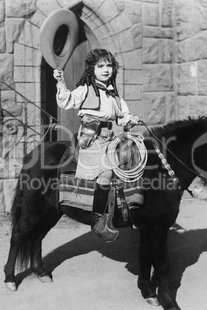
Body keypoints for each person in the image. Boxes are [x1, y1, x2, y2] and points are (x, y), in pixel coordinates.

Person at [53, 48, 139, 241]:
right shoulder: (85, 90)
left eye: (109, 65)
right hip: (91, 137)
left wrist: (131, 119)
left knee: (133, 162)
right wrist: (60, 82)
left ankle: (130, 211)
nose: (106, 69)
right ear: (92, 69)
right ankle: (97, 220)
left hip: (110, 138)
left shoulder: (115, 97)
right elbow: (66, 101)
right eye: (101, 66)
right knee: (106, 173)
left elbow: (124, 119)